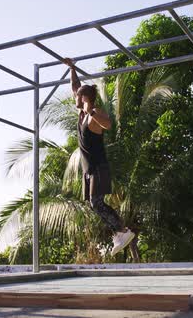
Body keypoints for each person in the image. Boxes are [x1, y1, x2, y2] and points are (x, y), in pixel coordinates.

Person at [63, 58, 135, 255]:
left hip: (99, 166)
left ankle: (122, 231)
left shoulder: (94, 115)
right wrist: (72, 68)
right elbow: (75, 86)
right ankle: (120, 232)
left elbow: (108, 125)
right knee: (94, 204)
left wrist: (93, 111)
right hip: (90, 169)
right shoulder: (81, 114)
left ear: (85, 98)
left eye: (78, 97)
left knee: (96, 202)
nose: (75, 98)